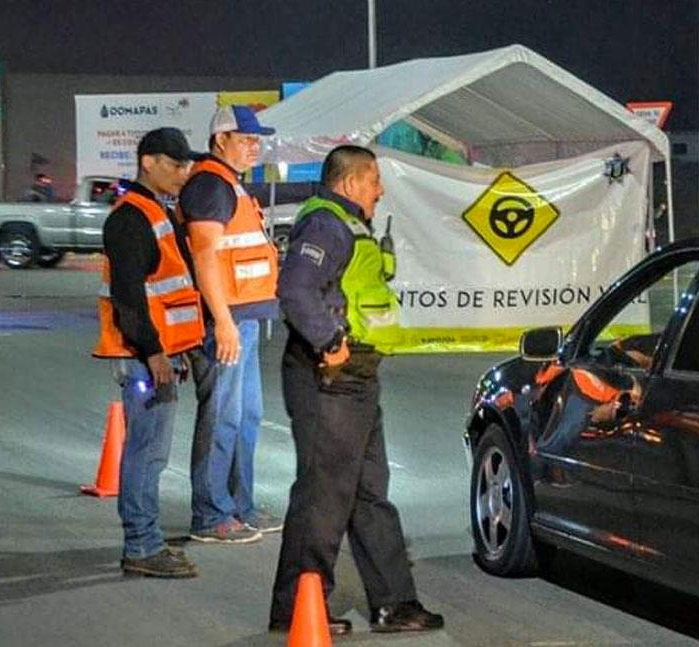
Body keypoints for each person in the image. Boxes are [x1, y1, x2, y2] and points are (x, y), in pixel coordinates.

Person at [270, 145, 443, 636]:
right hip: (329, 379)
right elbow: (295, 290)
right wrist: (329, 344)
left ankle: (393, 603)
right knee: (324, 496)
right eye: (373, 181)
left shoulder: (350, 224)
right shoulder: (326, 225)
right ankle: (296, 607)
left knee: (370, 494)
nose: (380, 189)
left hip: (357, 380)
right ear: (349, 183)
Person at [92, 128, 205, 577]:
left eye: (186, 165)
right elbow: (129, 297)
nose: (184, 172)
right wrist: (155, 354)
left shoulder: (157, 211)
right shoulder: (131, 218)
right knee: (146, 452)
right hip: (146, 357)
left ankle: (147, 539)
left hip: (160, 353)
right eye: (176, 165)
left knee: (151, 451)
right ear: (148, 163)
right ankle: (141, 546)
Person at [179, 105, 283, 543]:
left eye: (257, 140)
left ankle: (240, 505)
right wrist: (221, 321)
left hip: (245, 318)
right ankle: (211, 514)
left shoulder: (230, 186)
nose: (253, 147)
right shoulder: (209, 186)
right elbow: (204, 256)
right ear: (220, 140)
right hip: (225, 323)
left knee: (247, 416)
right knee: (223, 417)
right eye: (245, 139)